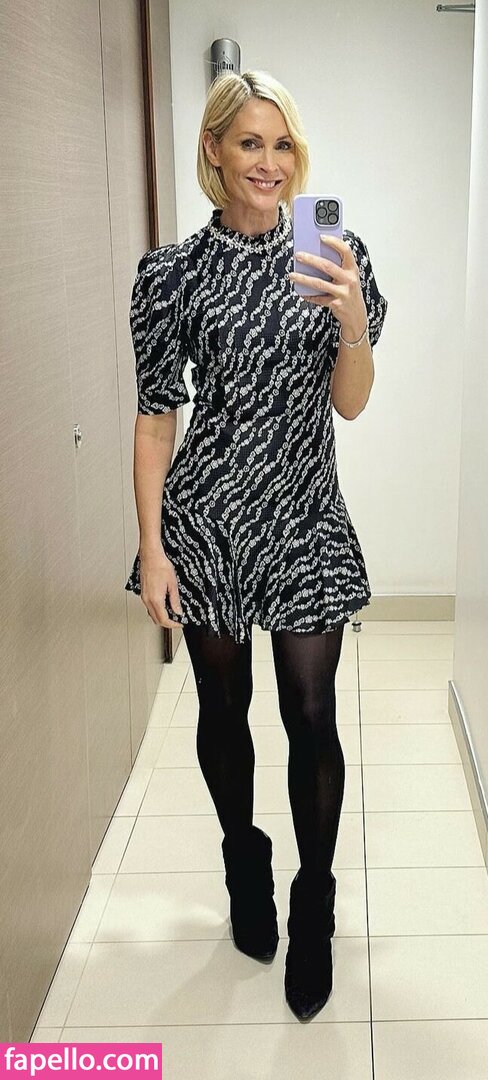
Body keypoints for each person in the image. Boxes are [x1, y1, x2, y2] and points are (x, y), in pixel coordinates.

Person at [125, 69, 388, 1022]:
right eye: (249, 143)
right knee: (223, 707)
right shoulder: (174, 274)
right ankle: (245, 858)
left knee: (311, 714)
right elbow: (158, 417)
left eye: (282, 145)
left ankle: (313, 899)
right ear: (214, 151)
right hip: (208, 519)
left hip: (305, 514)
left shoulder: (334, 252)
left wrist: (351, 318)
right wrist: (153, 548)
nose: (269, 163)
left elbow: (350, 403)